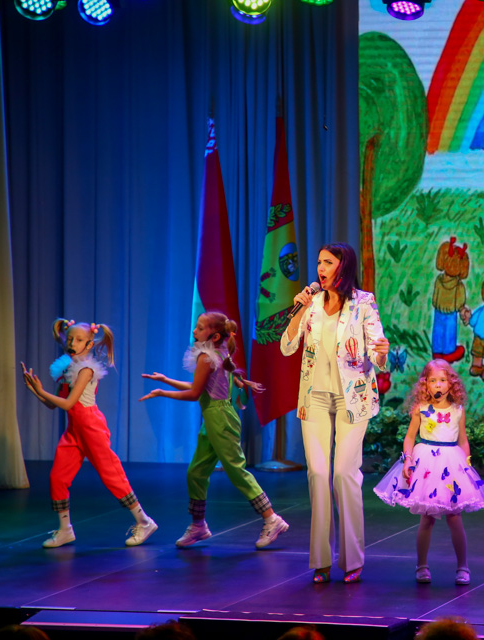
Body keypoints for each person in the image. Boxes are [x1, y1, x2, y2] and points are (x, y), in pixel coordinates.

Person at [281, 242, 390, 583]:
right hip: (314, 397)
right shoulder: (312, 303)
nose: (320, 268)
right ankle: (321, 560)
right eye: (319, 262)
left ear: (343, 266)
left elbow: (378, 353)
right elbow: (287, 347)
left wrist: (382, 352)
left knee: (343, 473)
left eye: (327, 262)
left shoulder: (363, 303)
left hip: (351, 398)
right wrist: (298, 309)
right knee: (317, 474)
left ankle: (352, 559)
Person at [140, 311, 288, 549]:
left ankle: (272, 519)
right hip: (212, 419)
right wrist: (166, 380)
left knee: (236, 471)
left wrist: (162, 393)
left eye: (200, 328)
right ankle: (198, 525)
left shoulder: (207, 357)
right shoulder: (217, 353)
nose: (194, 331)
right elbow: (197, 385)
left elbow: (194, 394)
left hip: (220, 419)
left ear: (215, 335)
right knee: (196, 472)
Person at [21, 319, 157, 548]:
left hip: (91, 427)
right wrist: (35, 391)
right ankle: (65, 529)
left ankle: (144, 521)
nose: (72, 343)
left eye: (79, 340)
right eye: (70, 339)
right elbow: (54, 404)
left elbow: (68, 403)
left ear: (89, 344)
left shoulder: (86, 370)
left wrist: (41, 390)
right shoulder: (67, 370)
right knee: (58, 478)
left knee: (111, 475)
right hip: (74, 430)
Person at [374, 360, 484, 585]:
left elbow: (463, 440)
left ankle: (463, 566)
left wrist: (467, 466)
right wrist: (408, 460)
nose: (438, 385)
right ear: (425, 384)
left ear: (451, 383)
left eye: (443, 380)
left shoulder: (457, 410)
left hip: (451, 464)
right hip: (427, 465)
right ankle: (421, 566)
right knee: (427, 518)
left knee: (454, 517)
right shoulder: (421, 409)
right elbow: (410, 437)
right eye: (433, 380)